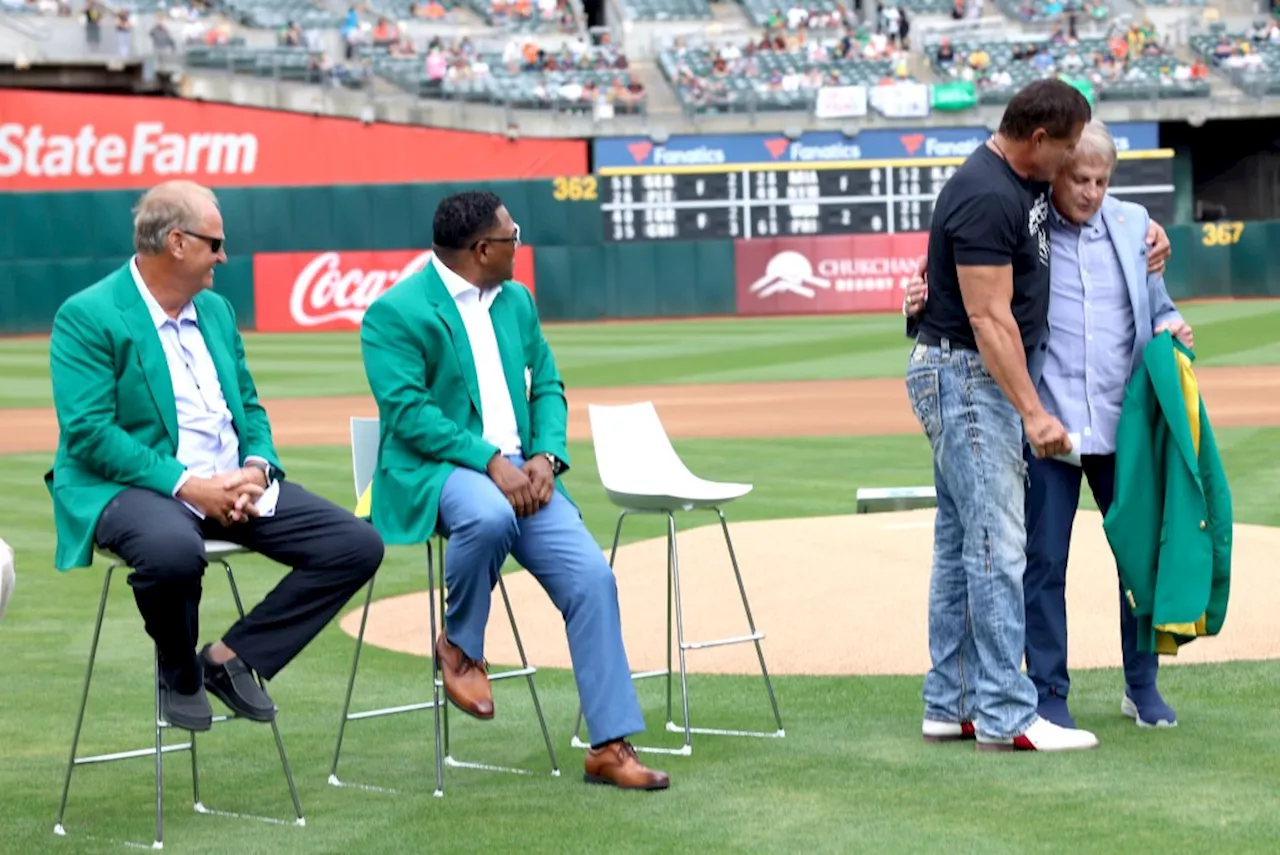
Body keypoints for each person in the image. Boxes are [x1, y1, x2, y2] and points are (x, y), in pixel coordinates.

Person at [46, 180, 385, 734]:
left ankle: (230, 661)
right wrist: (189, 486)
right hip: (135, 488)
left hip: (231, 482)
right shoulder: (88, 315)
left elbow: (248, 405)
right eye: (215, 243)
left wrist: (257, 468)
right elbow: (89, 434)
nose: (223, 257)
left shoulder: (218, 311)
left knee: (355, 545)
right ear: (177, 243)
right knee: (176, 552)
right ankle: (178, 672)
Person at [358, 190, 670, 791]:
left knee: (593, 580)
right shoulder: (395, 312)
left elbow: (547, 384)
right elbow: (407, 413)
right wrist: (489, 460)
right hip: (438, 470)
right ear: (481, 250)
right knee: (490, 517)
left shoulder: (517, 301)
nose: (519, 244)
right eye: (511, 236)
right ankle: (460, 647)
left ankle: (609, 745)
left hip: (524, 473)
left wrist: (547, 457)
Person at [905, 120, 1192, 730]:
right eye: (1079, 177)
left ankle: (1142, 685)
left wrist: (1172, 328)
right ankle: (1049, 691)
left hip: (1126, 427)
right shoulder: (1025, 221)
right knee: (1041, 562)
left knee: (1138, 560)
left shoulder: (1137, 227)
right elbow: (968, 285)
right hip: (1049, 427)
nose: (1090, 191)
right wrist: (922, 296)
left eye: (1101, 180)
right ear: (1054, 172)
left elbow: (1160, 309)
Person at [904, 78, 1099, 752]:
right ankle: (1005, 713)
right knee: (997, 543)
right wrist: (1034, 412)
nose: (1073, 163)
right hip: (966, 375)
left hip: (960, 370)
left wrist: (1143, 226)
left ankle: (950, 699)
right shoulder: (987, 192)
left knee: (962, 541)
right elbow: (989, 320)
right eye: (1067, 148)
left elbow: (1088, 198)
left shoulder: (1019, 182)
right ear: (1038, 140)